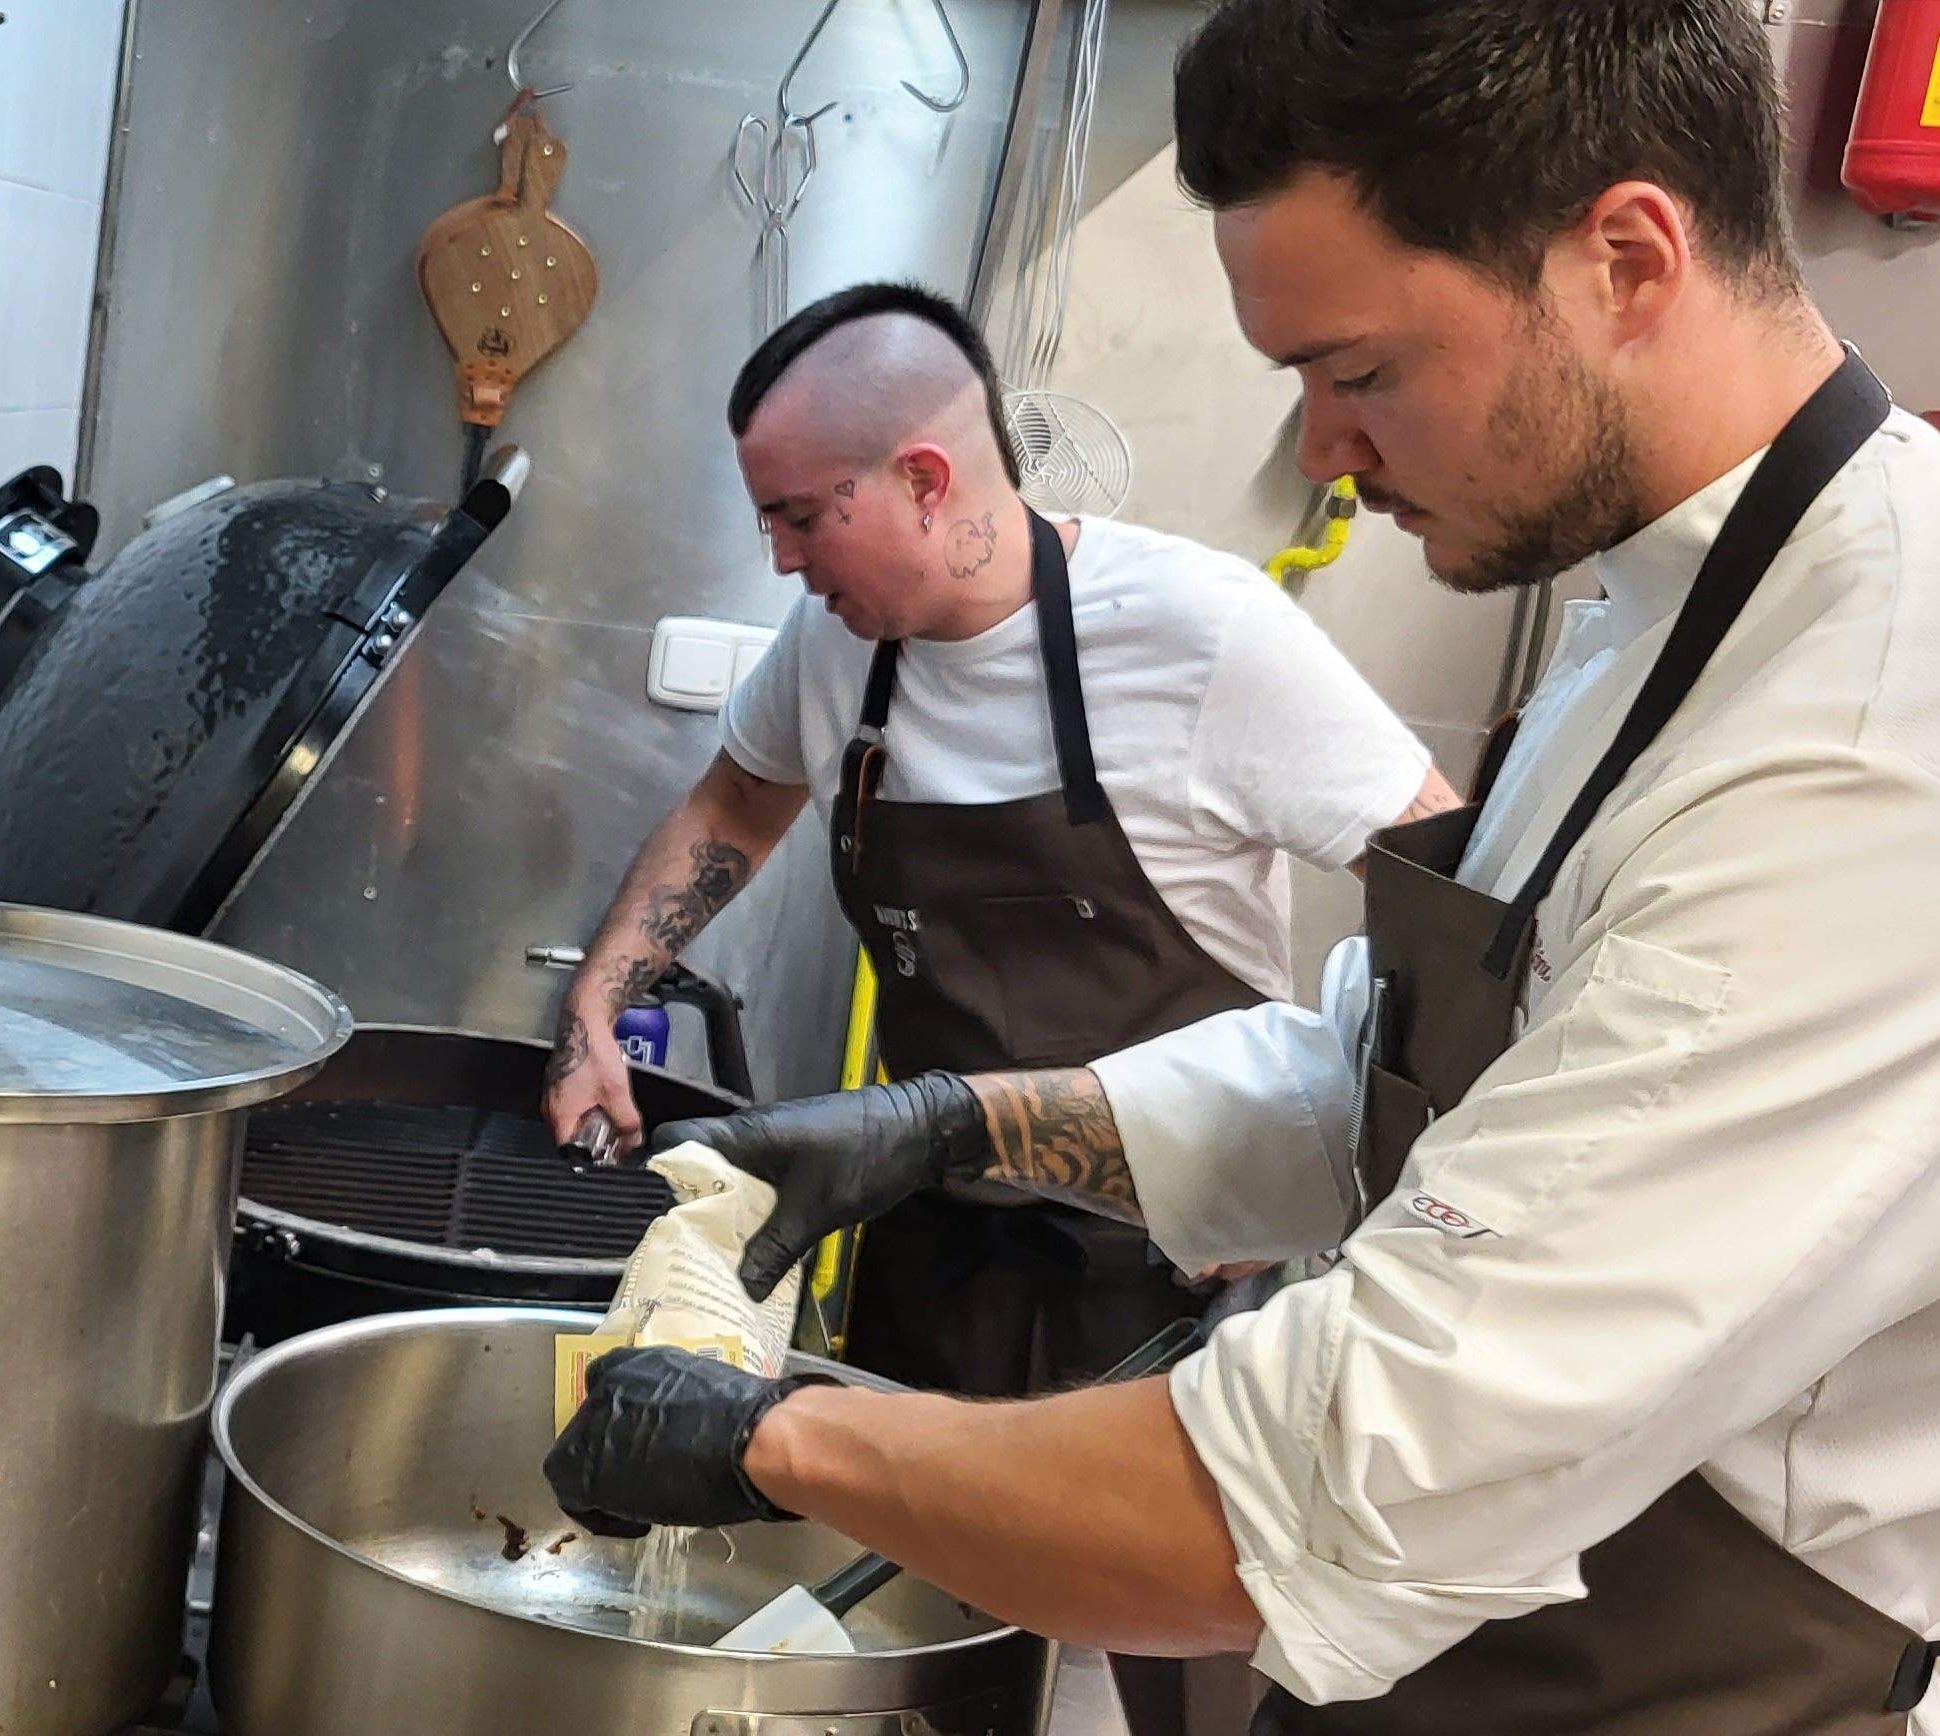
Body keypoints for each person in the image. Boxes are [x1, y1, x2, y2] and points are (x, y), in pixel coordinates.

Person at [541, 0, 1940, 1733]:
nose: (1334, 456)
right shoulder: (1662, 613)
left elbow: (1306, 1496)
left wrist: (774, 1436)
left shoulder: (1902, 753)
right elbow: (1393, 1073)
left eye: (1358, 373)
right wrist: (946, 1124)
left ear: (1625, 259)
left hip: (1677, 1692)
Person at [540, 280, 1449, 1733]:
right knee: (910, 1644)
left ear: (925, 477)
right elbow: (740, 795)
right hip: (927, 1242)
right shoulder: (843, 647)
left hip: (1155, 1281)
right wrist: (604, 996)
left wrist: (1322, 1178)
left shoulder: (1202, 632)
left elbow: (1440, 898)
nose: (779, 560)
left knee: (1149, 1678)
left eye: (799, 517)